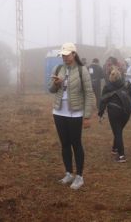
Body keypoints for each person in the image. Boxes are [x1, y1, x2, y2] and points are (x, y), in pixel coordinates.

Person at [48, 42, 95, 190]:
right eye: (62, 54)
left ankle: (79, 176)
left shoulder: (82, 70)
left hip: (75, 113)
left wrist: (87, 116)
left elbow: (89, 93)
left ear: (74, 54)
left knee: (76, 143)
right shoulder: (58, 68)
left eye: (67, 54)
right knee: (65, 144)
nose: (64, 57)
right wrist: (57, 84)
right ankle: (68, 173)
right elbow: (51, 90)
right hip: (59, 112)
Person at [98, 68, 131, 163]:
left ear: (110, 77)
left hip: (114, 110)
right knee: (118, 130)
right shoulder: (127, 84)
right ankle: (115, 147)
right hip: (126, 111)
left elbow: (103, 100)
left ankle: (121, 155)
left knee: (117, 132)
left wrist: (100, 113)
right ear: (120, 76)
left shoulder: (107, 86)